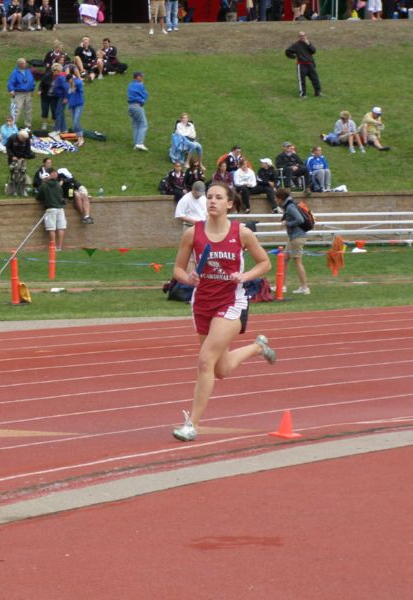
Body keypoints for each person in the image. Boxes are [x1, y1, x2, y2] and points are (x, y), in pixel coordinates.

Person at [171, 181, 275, 442]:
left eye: (218, 197)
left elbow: (264, 263)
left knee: (205, 360)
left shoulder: (242, 233)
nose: (212, 201)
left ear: (229, 203)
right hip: (202, 302)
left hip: (232, 301)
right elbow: (177, 270)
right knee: (221, 369)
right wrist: (188, 278)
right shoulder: (192, 233)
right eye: (209, 197)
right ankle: (258, 348)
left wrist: (244, 275)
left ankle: (191, 424)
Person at [276, 188, 310, 295]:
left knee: (298, 262)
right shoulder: (288, 205)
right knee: (284, 260)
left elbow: (300, 219)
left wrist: (287, 223)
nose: (275, 200)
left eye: (276, 198)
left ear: (280, 198)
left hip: (297, 237)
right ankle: (282, 286)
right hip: (293, 237)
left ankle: (305, 288)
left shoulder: (290, 206)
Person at [285, 31, 321, 99]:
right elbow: (287, 51)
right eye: (301, 36)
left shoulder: (308, 43)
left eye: (304, 36)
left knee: (315, 79)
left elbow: (314, 51)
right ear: (299, 37)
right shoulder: (296, 45)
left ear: (306, 36)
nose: (302, 37)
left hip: (310, 64)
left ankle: (318, 93)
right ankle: (302, 95)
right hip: (301, 65)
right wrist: (293, 56)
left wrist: (308, 44)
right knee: (302, 81)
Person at [36, 169, 66, 250]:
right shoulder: (58, 185)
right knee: (61, 228)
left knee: (51, 228)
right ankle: (59, 247)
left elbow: (38, 197)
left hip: (50, 209)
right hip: (60, 209)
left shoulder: (44, 185)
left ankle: (53, 247)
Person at [5, 129, 35, 196]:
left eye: (25, 139)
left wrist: (24, 157)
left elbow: (28, 150)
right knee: (14, 174)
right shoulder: (12, 138)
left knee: (23, 173)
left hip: (22, 159)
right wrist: (12, 156)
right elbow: (8, 148)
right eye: (23, 139)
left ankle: (23, 189)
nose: (24, 140)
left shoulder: (26, 139)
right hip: (13, 158)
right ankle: (13, 190)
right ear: (19, 136)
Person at [7, 58, 35, 129]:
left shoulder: (28, 71)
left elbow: (32, 80)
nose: (25, 64)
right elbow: (11, 82)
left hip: (28, 93)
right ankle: (12, 124)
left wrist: (32, 89)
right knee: (17, 109)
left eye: (25, 63)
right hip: (19, 93)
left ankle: (28, 125)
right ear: (19, 64)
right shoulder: (15, 72)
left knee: (28, 109)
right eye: (23, 63)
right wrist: (12, 90)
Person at [127, 71, 149, 151]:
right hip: (137, 106)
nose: (142, 78)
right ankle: (139, 143)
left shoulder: (130, 85)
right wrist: (143, 100)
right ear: (137, 77)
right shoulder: (140, 85)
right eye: (141, 76)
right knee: (143, 124)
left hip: (130, 106)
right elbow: (145, 95)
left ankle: (136, 143)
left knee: (136, 124)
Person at [38, 63, 62, 132]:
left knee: (54, 110)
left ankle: (55, 124)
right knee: (44, 110)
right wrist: (40, 90)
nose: (56, 72)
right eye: (55, 70)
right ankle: (44, 124)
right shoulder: (47, 76)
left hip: (54, 97)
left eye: (58, 71)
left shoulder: (60, 78)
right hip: (45, 96)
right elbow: (41, 84)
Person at [65, 67, 85, 147]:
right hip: (72, 105)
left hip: (79, 104)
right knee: (74, 123)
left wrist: (74, 81)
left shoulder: (77, 83)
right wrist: (69, 106)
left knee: (76, 120)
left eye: (68, 80)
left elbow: (80, 84)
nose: (68, 82)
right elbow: (69, 96)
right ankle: (78, 138)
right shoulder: (69, 86)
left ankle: (81, 138)